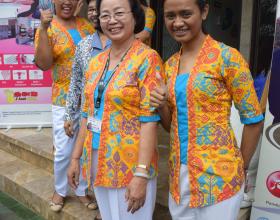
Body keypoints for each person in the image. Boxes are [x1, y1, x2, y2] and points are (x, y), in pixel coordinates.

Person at [150, 0, 264, 219]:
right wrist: (162, 104)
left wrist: (241, 168)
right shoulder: (170, 65)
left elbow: (253, 120)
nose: (178, 23)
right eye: (170, 16)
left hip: (219, 178)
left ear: (204, 11)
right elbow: (170, 125)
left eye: (185, 14)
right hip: (179, 177)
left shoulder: (227, 58)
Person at [67, 0, 164, 219]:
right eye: (105, 15)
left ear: (135, 16)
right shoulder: (96, 62)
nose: (112, 21)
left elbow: (149, 120)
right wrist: (75, 158)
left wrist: (141, 173)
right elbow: (86, 113)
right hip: (97, 159)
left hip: (130, 164)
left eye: (119, 13)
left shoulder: (147, 59)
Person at [34, 0, 94, 212]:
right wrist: (42, 28)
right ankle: (60, 190)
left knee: (85, 147)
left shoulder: (87, 25)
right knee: (62, 150)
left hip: (89, 99)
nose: (67, 1)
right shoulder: (47, 27)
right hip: (62, 98)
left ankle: (80, 189)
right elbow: (43, 64)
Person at [64, 0, 111, 137]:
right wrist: (69, 115)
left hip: (116, 117)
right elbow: (76, 83)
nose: (94, 14)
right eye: (91, 10)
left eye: (98, 9)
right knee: (89, 153)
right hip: (90, 117)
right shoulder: (84, 45)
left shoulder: (121, 44)